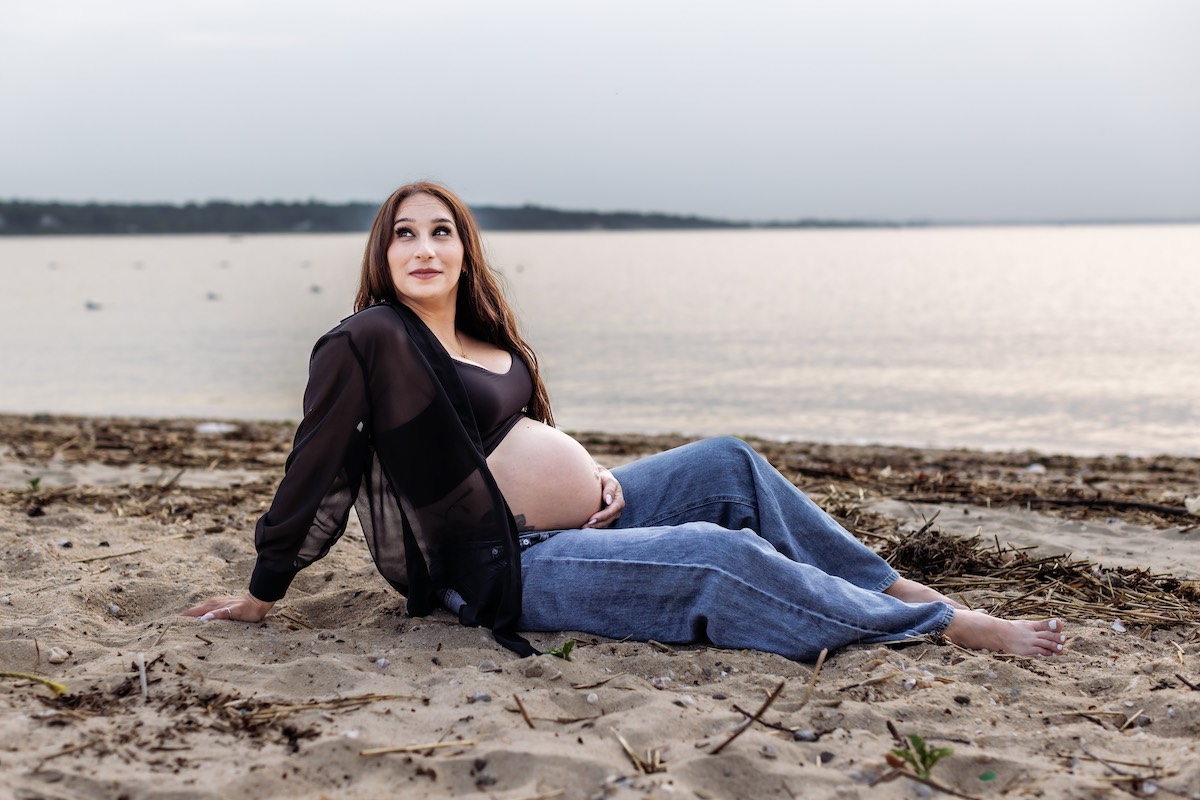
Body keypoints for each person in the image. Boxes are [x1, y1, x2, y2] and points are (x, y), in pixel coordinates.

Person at [185, 181, 1067, 661]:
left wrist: (596, 477)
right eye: (404, 234)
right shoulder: (367, 340)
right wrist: (265, 593)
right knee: (721, 558)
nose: (424, 248)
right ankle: (941, 625)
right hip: (498, 570)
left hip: (575, 524)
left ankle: (895, 589)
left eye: (442, 232)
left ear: (465, 249)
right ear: (381, 252)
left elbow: (516, 443)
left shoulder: (490, 336)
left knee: (728, 463)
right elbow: (315, 462)